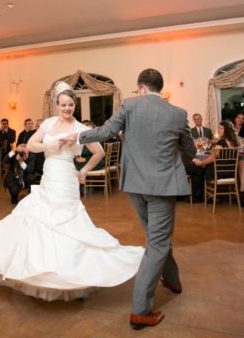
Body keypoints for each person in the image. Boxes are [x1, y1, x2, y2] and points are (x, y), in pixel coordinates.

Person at [0, 82, 143, 302]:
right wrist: (47, 148)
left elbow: (98, 152)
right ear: (57, 105)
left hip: (67, 181)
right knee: (40, 221)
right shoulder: (49, 124)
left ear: (75, 106)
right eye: (63, 105)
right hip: (49, 177)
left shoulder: (81, 128)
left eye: (70, 105)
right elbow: (30, 144)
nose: (67, 108)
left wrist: (84, 172)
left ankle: (75, 275)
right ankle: (41, 269)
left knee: (69, 224)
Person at [61, 68, 195, 330]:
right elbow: (188, 148)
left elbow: (106, 131)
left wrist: (77, 136)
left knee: (157, 237)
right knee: (157, 242)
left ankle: (172, 279)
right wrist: (193, 158)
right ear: (160, 88)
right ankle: (140, 311)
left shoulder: (130, 106)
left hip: (134, 184)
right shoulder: (178, 114)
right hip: (162, 186)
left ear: (142, 87)